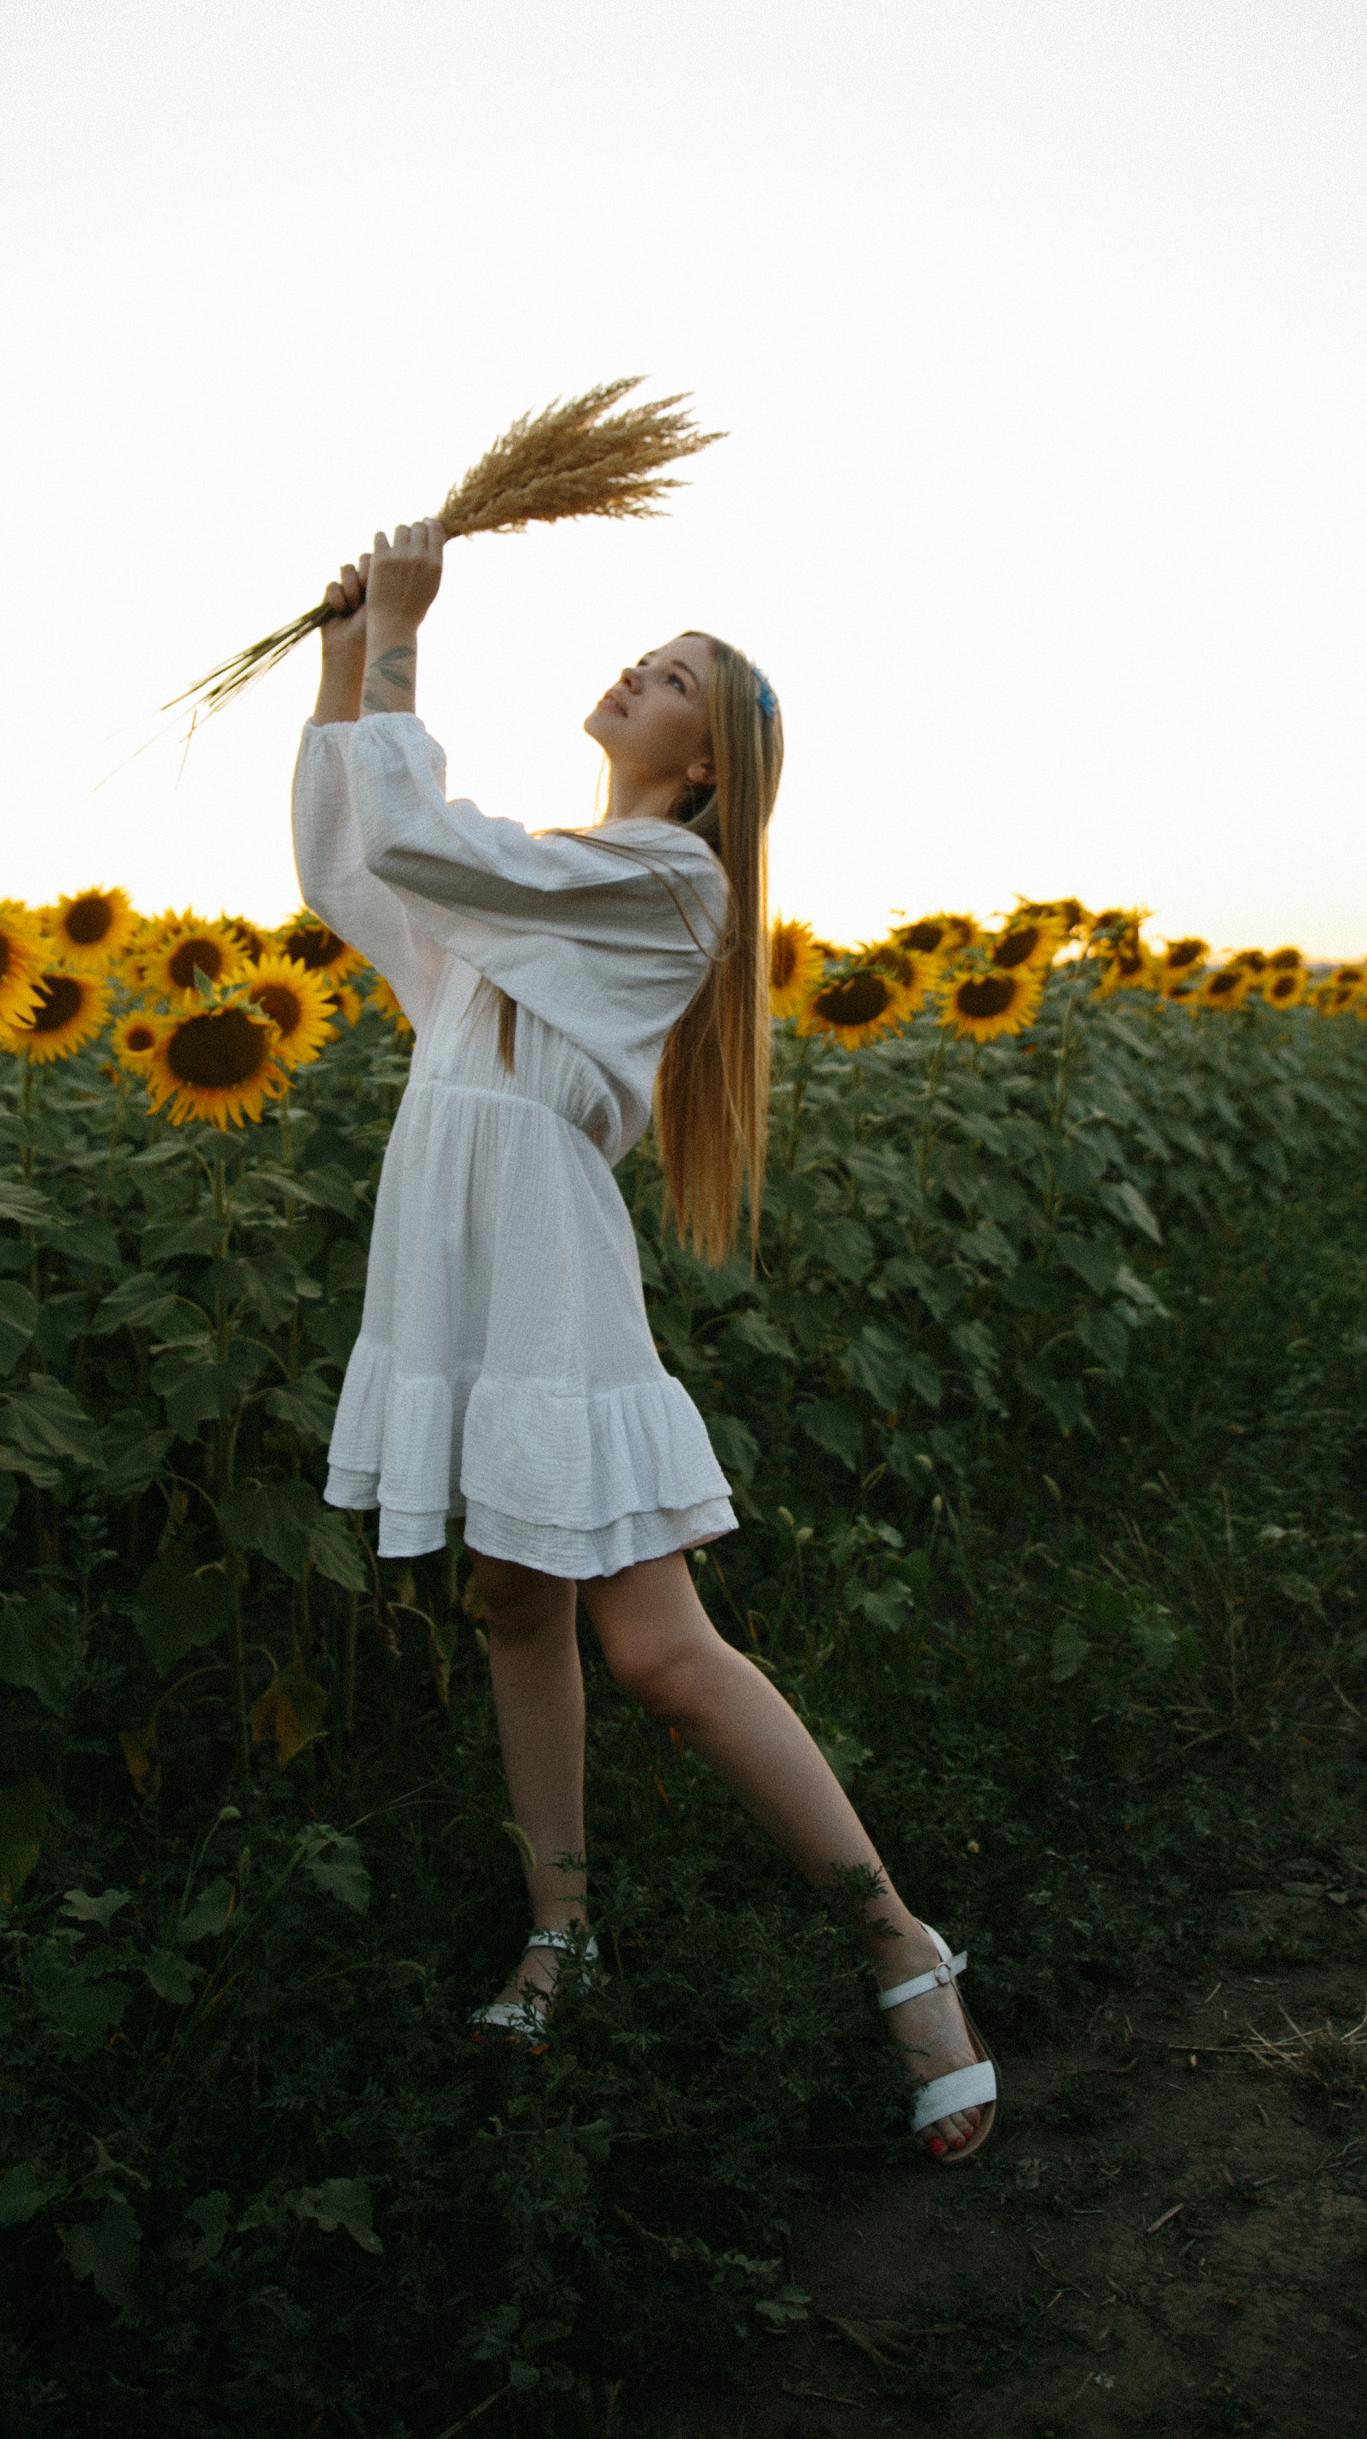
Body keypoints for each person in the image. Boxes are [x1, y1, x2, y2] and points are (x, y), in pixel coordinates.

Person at [291, 518, 997, 2161]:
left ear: (707, 766)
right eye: (647, 655)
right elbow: (358, 868)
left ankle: (904, 1944)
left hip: (542, 1276)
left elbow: (431, 845)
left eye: (673, 677)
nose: (638, 672)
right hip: (453, 1262)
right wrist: (344, 657)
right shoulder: (547, 877)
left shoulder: (666, 885)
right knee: (513, 1603)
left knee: (660, 1652)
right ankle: (563, 1932)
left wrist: (404, 640)